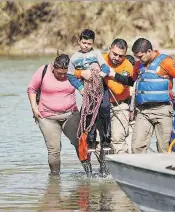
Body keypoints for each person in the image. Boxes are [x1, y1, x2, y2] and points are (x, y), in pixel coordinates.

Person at [106, 38, 175, 153]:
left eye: (140, 57)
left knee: (165, 148)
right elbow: (131, 81)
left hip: (163, 110)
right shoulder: (138, 65)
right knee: (137, 147)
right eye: (136, 57)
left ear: (149, 51)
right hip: (143, 112)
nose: (138, 60)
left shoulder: (166, 62)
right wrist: (114, 75)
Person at [27, 54, 83, 175]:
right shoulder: (44, 70)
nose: (63, 76)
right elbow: (31, 89)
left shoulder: (74, 72)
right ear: (53, 68)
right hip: (47, 118)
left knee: (80, 142)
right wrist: (34, 108)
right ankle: (55, 179)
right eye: (59, 73)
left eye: (65, 73)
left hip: (71, 115)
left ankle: (88, 172)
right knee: (54, 150)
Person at [67, 29, 111, 175]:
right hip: (87, 92)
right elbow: (70, 76)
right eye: (84, 43)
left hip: (100, 89)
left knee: (104, 110)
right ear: (79, 41)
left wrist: (101, 73)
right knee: (89, 118)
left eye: (89, 43)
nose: (86, 46)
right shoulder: (74, 58)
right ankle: (91, 142)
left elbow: (105, 67)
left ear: (93, 43)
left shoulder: (97, 54)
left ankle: (106, 140)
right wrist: (79, 87)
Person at [102, 39, 134, 154]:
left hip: (119, 107)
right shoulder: (99, 59)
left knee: (117, 141)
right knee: (99, 143)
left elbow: (118, 90)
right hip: (100, 107)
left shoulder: (128, 66)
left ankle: (124, 169)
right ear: (110, 49)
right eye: (114, 54)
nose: (117, 58)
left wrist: (105, 75)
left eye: (121, 56)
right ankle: (103, 170)